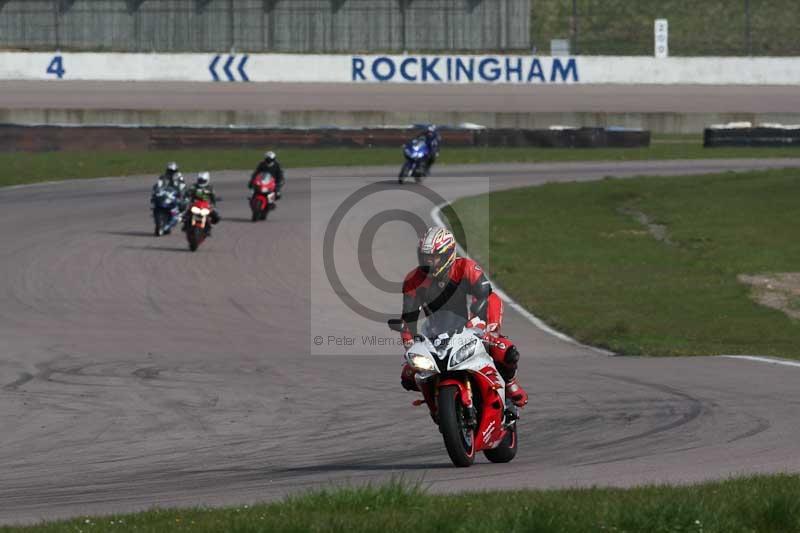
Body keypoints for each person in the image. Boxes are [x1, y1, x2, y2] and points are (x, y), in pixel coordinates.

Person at [398, 226, 528, 407]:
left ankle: (510, 382)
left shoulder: (466, 267)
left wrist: (482, 324)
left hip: (474, 322)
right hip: (437, 333)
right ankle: (436, 401)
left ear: (448, 254)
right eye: (425, 258)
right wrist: (409, 344)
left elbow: (484, 295)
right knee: (407, 376)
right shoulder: (414, 280)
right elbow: (408, 318)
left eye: (434, 258)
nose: (430, 263)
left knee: (504, 349)